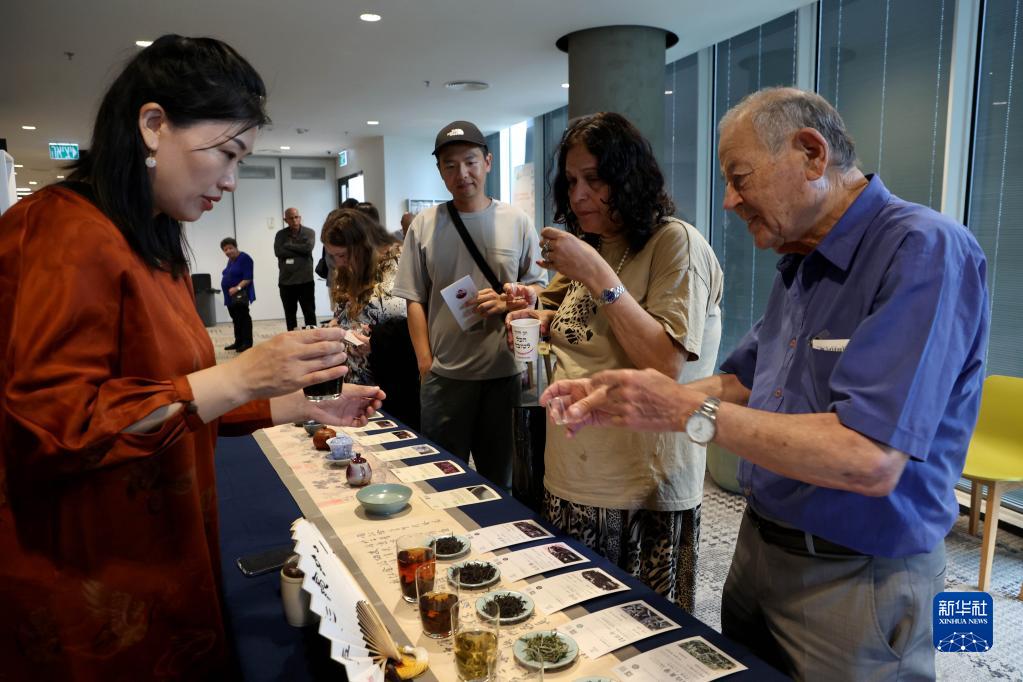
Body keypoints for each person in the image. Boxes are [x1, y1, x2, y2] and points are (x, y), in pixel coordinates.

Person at [541, 88, 990, 681]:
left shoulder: (922, 250)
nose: (729, 199)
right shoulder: (801, 260)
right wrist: (630, 400)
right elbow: (741, 384)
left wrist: (681, 408)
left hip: (856, 576)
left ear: (811, 153)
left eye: (739, 176)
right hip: (759, 551)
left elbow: (868, 458)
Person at [0, 35, 384, 680]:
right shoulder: (63, 232)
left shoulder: (147, 238)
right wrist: (241, 372)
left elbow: (171, 396)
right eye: (226, 153)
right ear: (153, 126)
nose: (230, 181)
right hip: (89, 572)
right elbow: (54, 425)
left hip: (160, 544)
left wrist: (305, 403)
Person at [505, 112, 723, 611]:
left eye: (595, 179)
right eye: (572, 181)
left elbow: (665, 362)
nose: (579, 195)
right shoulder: (595, 246)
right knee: (573, 629)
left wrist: (596, 271)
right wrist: (531, 315)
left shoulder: (675, 243)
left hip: (642, 490)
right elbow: (564, 324)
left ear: (627, 178)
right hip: (571, 475)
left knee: (645, 643)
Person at [393, 120, 546, 488]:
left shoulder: (518, 222)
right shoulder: (425, 225)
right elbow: (414, 298)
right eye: (450, 165)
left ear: (488, 162)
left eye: (470, 161)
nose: (462, 173)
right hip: (445, 378)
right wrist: (425, 363)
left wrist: (511, 301)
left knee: (501, 481)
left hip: (505, 374)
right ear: (441, 172)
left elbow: (538, 289)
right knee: (440, 481)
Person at [322, 207, 420, 428]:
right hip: (354, 381)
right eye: (333, 256)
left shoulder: (400, 263)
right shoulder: (347, 269)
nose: (338, 263)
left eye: (343, 255)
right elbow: (345, 312)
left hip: (393, 384)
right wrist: (336, 326)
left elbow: (417, 324)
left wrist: (375, 343)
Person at [275, 206, 317, 329]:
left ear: (300, 217)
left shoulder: (309, 232)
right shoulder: (280, 235)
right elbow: (279, 252)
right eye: (291, 218)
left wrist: (288, 245)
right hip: (286, 282)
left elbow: (308, 248)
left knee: (309, 312)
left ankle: (313, 339)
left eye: (296, 217)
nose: (294, 220)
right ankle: (292, 340)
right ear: (285, 220)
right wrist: (300, 250)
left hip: (305, 281)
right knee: (290, 314)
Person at [220, 236, 254, 351]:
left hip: (240, 294)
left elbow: (248, 278)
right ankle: (238, 341)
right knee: (235, 319)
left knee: (243, 318)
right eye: (225, 250)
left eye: (230, 248)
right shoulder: (230, 260)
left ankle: (247, 343)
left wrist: (237, 288)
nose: (228, 251)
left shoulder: (245, 258)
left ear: (235, 247)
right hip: (230, 296)